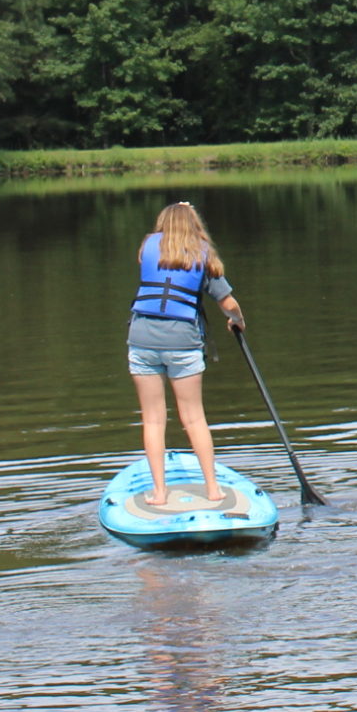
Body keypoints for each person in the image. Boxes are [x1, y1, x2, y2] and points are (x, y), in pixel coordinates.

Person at [128, 200, 245, 509]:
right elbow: (228, 303)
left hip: (142, 338)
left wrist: (177, 211)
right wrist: (238, 321)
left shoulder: (147, 246)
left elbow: (159, 255)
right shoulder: (202, 253)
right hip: (183, 342)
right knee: (194, 418)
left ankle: (159, 493)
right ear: (194, 225)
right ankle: (213, 490)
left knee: (153, 420)